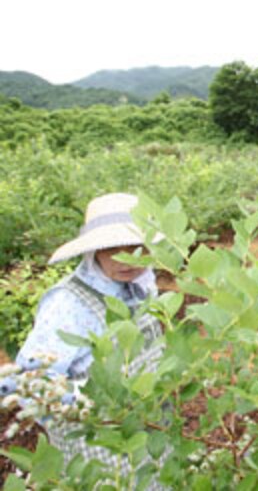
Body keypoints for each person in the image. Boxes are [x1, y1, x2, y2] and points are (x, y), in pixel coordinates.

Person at [14, 192, 166, 488]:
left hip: (149, 436)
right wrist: (91, 410)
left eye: (137, 246)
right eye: (112, 248)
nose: (127, 258)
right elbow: (31, 382)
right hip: (101, 446)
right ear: (94, 250)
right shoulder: (70, 304)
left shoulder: (140, 286)